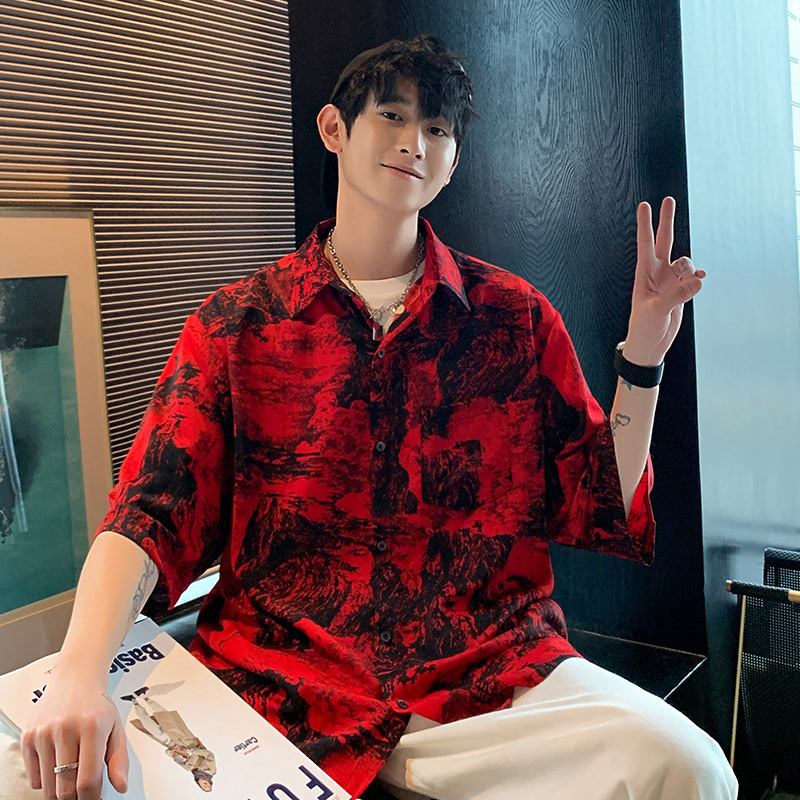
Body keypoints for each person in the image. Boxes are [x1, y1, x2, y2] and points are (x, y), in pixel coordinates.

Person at [6, 34, 737, 800]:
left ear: (453, 160)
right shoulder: (237, 326)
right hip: (273, 680)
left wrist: (643, 355)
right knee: (27, 776)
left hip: (482, 679)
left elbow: (599, 498)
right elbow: (148, 512)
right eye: (392, 115)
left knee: (686, 766)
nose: (414, 142)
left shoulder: (513, 319)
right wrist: (78, 672)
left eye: (437, 128)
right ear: (335, 128)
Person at [122, 686, 216, 792]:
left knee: (149, 725)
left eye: (203, 787)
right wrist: (191, 751)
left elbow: (176, 759)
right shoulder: (210, 770)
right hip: (184, 739)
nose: (204, 784)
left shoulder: (191, 770)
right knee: (165, 716)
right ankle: (144, 696)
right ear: (209, 782)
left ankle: (134, 701)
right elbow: (209, 754)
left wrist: (170, 753)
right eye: (207, 785)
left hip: (171, 743)